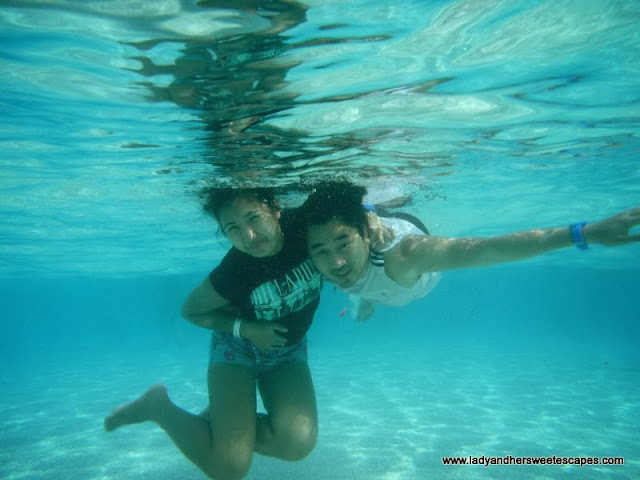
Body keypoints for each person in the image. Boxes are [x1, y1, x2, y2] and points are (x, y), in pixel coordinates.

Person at [104, 187, 323, 480]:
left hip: (288, 352)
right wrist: (245, 328)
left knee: (296, 444)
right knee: (229, 468)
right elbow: (190, 311)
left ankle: (223, 420)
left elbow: (350, 211)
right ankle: (158, 407)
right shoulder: (235, 269)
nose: (249, 236)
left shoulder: (304, 226)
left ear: (275, 207)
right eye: (233, 228)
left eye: (253, 218)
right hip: (238, 350)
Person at [301, 180, 640, 321]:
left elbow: (487, 250)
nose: (335, 261)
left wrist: (586, 232)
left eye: (343, 243)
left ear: (362, 235)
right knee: (355, 282)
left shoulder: (406, 253)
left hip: (399, 265)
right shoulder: (319, 249)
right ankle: (363, 295)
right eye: (321, 251)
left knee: (367, 273)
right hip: (373, 268)